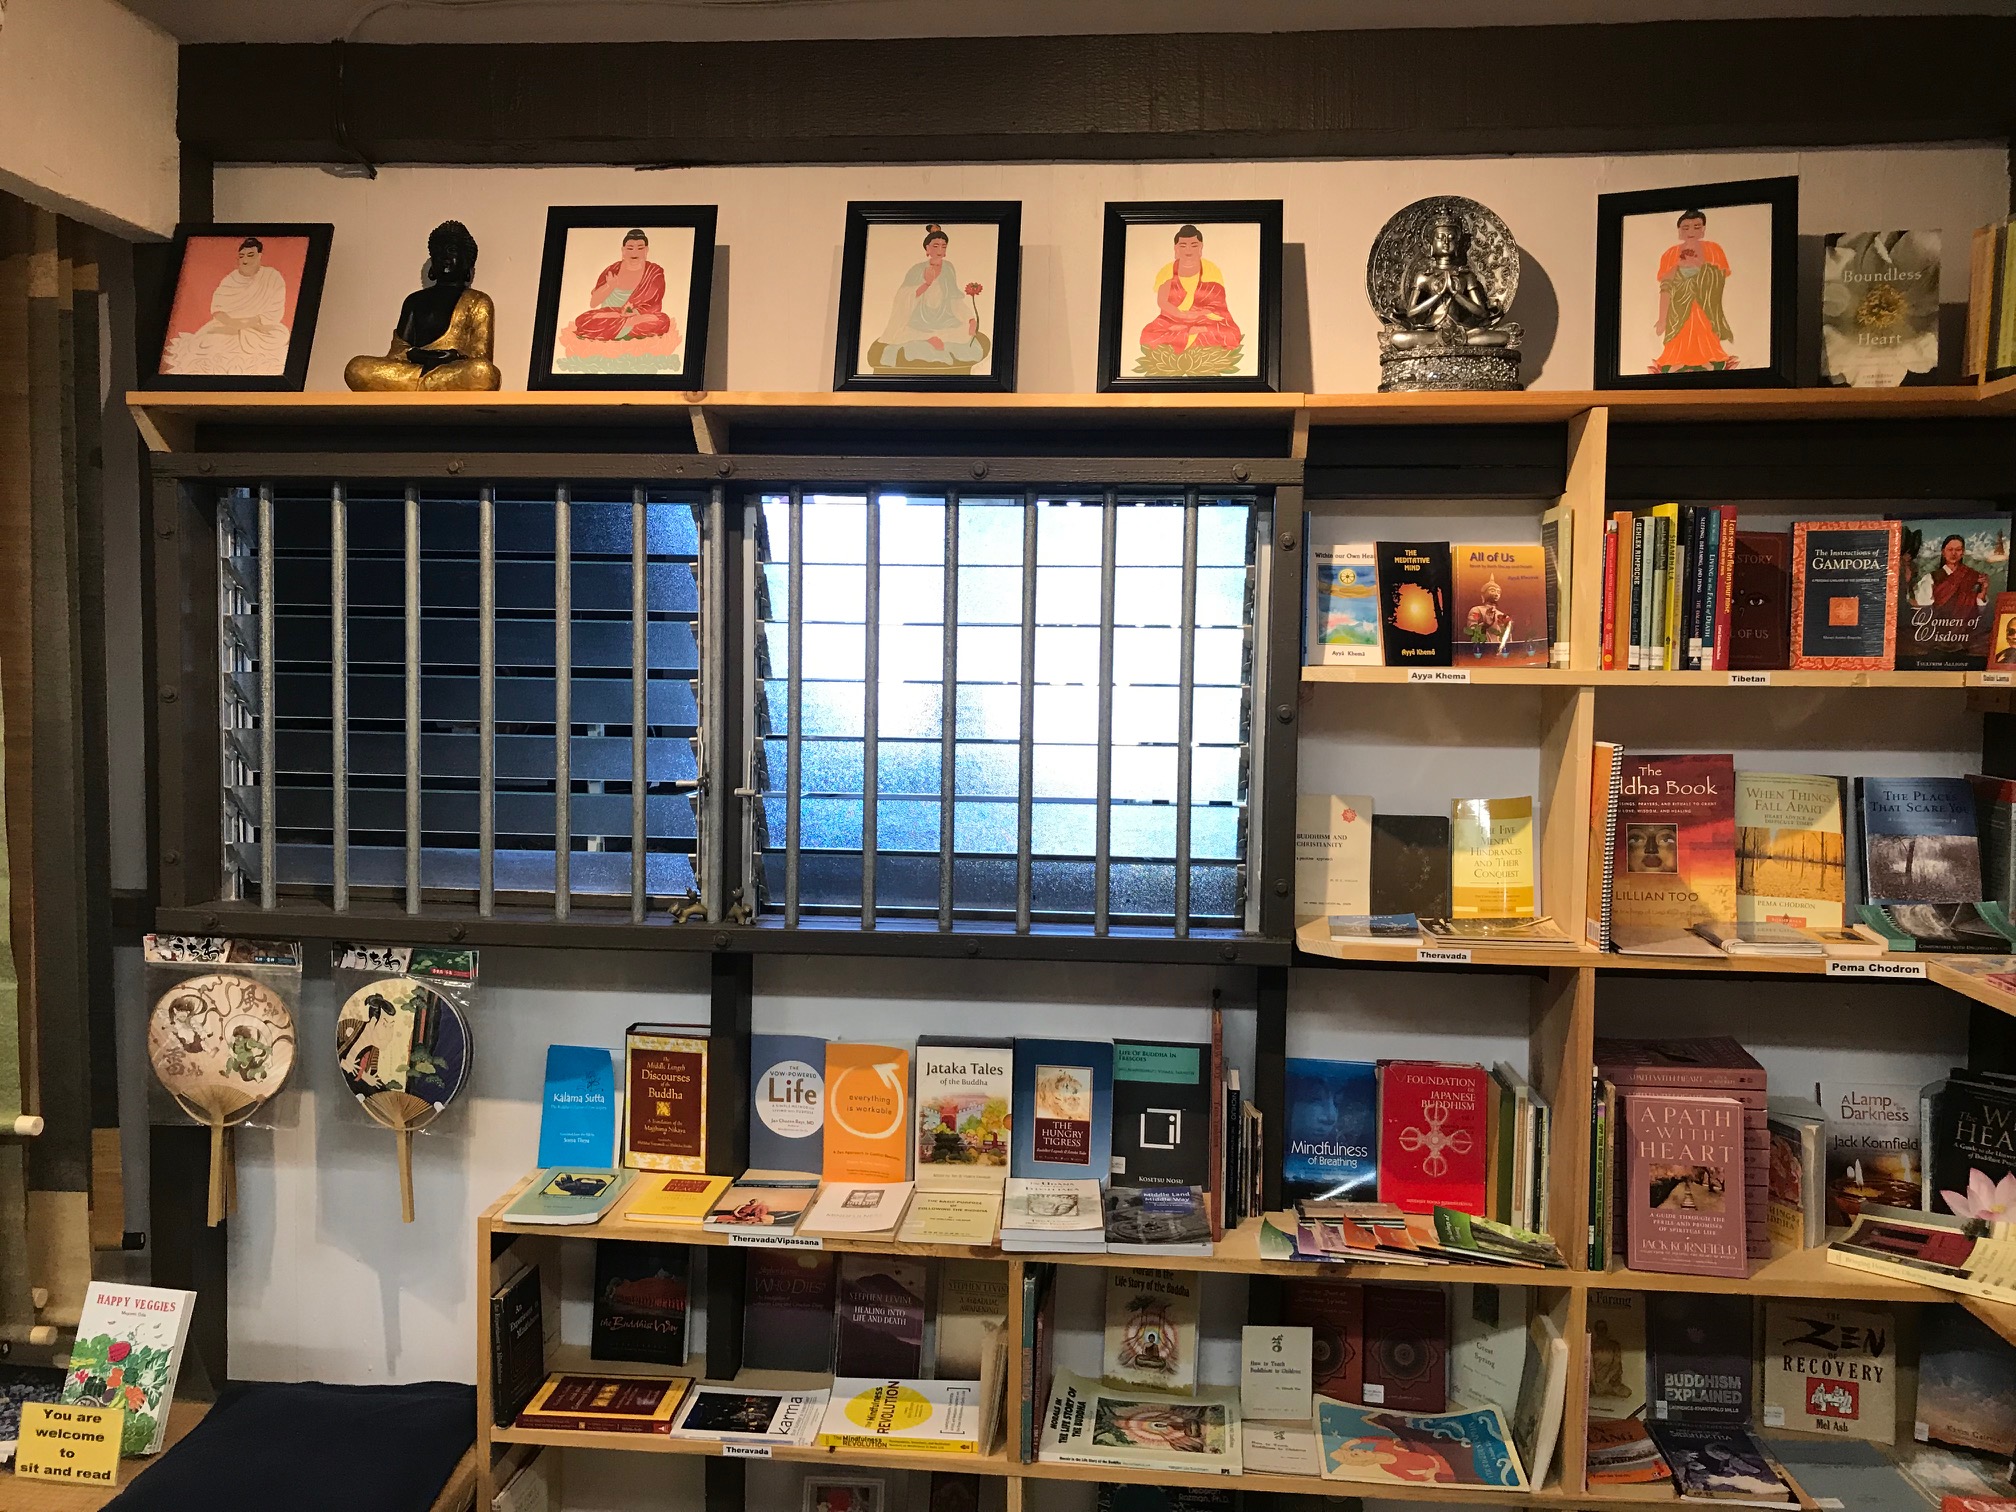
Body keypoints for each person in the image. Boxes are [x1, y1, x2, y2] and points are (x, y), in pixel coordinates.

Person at [345, 219, 500, 391]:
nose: (444, 257)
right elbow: (397, 353)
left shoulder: (478, 301)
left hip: (451, 370)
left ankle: (421, 386)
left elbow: (480, 356)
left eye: (452, 251)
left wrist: (453, 356)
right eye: (438, 252)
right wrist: (417, 354)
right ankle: (430, 385)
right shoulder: (414, 300)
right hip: (413, 370)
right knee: (356, 368)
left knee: (483, 372)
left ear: (467, 262)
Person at [161, 237, 291, 376]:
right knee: (208, 342)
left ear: (259, 256)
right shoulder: (231, 279)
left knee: (281, 336)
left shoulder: (272, 276)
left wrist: (248, 322)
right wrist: (233, 323)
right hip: (229, 327)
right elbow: (218, 310)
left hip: (260, 328)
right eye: (241, 256)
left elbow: (275, 310)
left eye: (250, 255)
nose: (245, 260)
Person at [872, 224, 983, 367]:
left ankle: (932, 341)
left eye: (943, 246)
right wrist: (927, 284)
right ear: (927, 249)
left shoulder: (948, 268)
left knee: (963, 333)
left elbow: (954, 298)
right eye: (935, 246)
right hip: (920, 320)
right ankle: (928, 340)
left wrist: (970, 319)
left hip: (944, 318)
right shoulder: (917, 269)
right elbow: (904, 297)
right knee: (906, 334)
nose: (940, 250)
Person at [1650, 209, 1737, 374]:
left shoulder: (1713, 249)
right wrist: (1662, 318)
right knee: (1679, 335)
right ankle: (1677, 362)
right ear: (1679, 231)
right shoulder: (1670, 254)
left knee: (1704, 330)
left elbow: (1719, 277)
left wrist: (1699, 265)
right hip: (1678, 306)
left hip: (1704, 302)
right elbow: (1666, 286)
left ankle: (1707, 361)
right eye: (1686, 227)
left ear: (1703, 229)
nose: (1691, 231)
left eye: (1697, 227)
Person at [1139, 224, 1241, 353]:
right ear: (1176, 248)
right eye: (1183, 246)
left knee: (1230, 334)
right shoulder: (1167, 272)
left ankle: (1191, 332)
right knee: (1149, 335)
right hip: (1173, 319)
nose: (1188, 250)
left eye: (1194, 245)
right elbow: (1163, 302)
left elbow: (1217, 305)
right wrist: (1181, 315)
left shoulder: (1211, 271)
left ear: (1200, 247)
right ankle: (1189, 333)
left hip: (1204, 319)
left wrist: (1198, 314)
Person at [567, 229, 676, 344]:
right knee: (583, 320)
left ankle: (615, 329)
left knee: (662, 321)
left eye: (640, 248)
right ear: (623, 251)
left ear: (646, 250)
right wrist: (609, 286)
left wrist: (633, 313)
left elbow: (652, 303)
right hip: (610, 315)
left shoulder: (654, 272)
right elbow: (594, 302)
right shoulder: (612, 270)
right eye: (630, 248)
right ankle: (627, 325)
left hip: (636, 315)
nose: (634, 253)